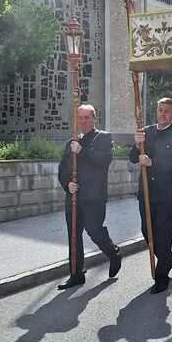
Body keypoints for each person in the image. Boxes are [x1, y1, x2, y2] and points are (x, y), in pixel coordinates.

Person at [57, 104, 121, 289]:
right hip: (73, 197)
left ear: (94, 119)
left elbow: (104, 160)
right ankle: (76, 274)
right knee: (74, 236)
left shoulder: (103, 137)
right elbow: (63, 169)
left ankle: (113, 253)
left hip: (94, 197)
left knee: (95, 231)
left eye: (86, 117)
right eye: (80, 118)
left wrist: (82, 151)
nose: (83, 121)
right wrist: (67, 184)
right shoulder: (71, 142)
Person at [130, 97, 172, 293]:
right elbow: (133, 158)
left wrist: (152, 163)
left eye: (167, 111)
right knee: (147, 232)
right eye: (160, 110)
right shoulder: (146, 132)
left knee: (163, 236)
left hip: (166, 194)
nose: (162, 114)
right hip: (146, 192)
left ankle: (162, 277)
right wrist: (137, 144)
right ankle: (169, 259)